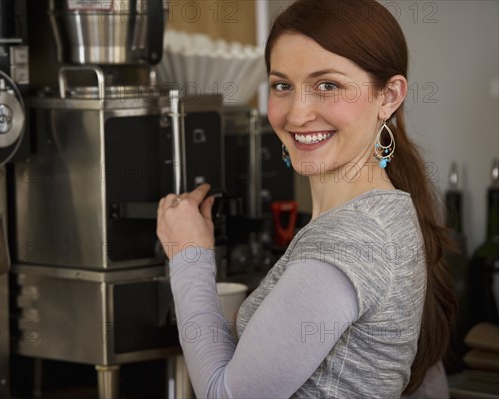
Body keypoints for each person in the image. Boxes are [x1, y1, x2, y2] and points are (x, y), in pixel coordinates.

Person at [156, 0, 456, 397]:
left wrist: (188, 255)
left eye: (327, 86)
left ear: (389, 96)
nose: (297, 115)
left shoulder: (352, 239)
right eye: (283, 85)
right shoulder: (383, 211)